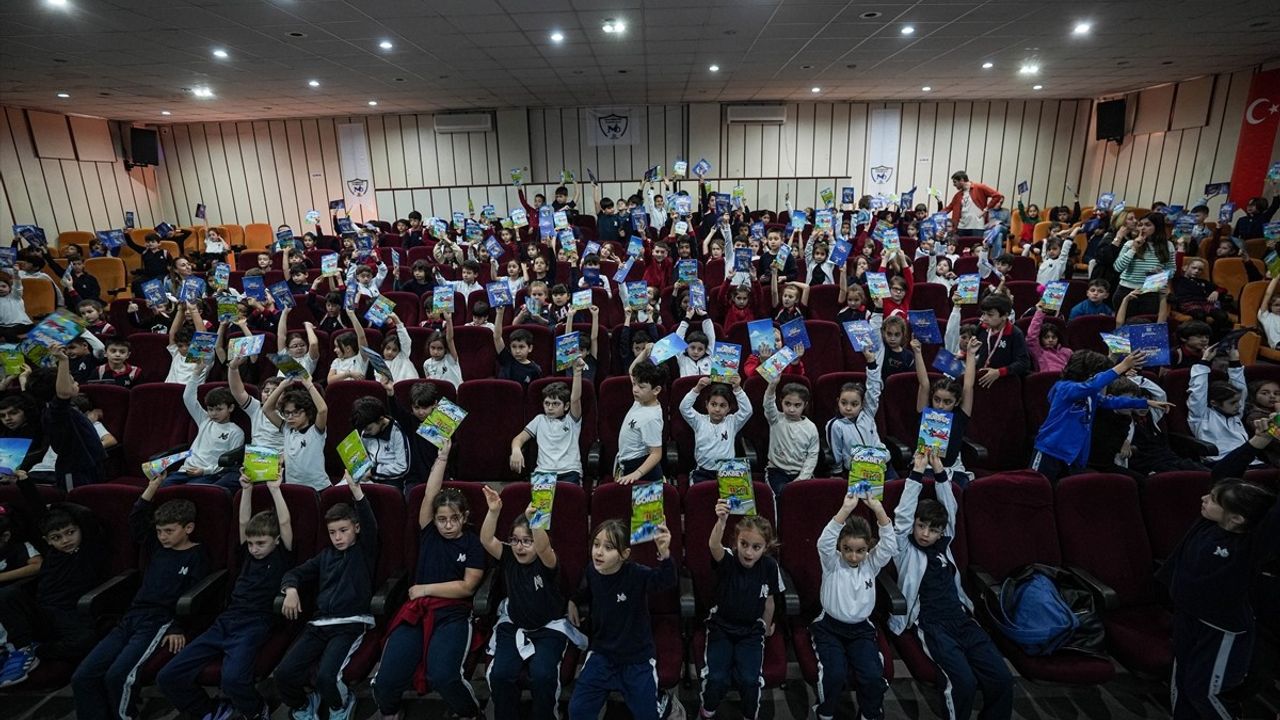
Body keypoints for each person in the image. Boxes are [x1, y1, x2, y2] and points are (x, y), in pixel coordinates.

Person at [156, 473, 294, 720]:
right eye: (251, 544)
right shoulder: (247, 555)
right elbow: (243, 523)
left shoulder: (281, 554)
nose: (254, 549)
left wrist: (275, 489)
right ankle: (208, 710)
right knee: (168, 675)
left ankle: (255, 710)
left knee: (232, 679)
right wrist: (247, 490)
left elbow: (284, 522)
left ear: (275, 541)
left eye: (260, 543)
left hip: (256, 623)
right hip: (226, 620)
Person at [889, 450, 1014, 720]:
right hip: (932, 624)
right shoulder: (905, 549)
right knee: (963, 683)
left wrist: (940, 470)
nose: (925, 534)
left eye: (933, 530)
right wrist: (917, 473)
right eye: (921, 526)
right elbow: (902, 517)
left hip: (962, 619)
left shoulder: (945, 547)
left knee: (1002, 679)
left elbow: (950, 509)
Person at [71, 479, 209, 720]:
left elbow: (197, 594)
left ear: (188, 528)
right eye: (159, 531)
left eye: (169, 531)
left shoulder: (198, 555)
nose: (163, 536)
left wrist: (177, 626)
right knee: (83, 676)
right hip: (131, 617)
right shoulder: (157, 546)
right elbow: (136, 519)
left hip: (158, 622)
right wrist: (152, 487)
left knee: (118, 675)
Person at [373, 439, 485, 720]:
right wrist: (442, 458)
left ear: (464, 518)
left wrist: (424, 588)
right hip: (416, 612)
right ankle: (391, 711)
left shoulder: (472, 543)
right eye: (442, 519)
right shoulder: (429, 533)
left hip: (452, 614)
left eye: (454, 519)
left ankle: (470, 713)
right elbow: (430, 493)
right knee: (385, 680)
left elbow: (467, 586)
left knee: (444, 675)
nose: (447, 525)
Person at [1158, 477, 1279, 719]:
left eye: (1213, 499)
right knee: (1180, 683)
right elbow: (1225, 472)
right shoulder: (1204, 526)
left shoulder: (1248, 549)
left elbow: (1275, 518)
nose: (1204, 499)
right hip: (1186, 618)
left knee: (1203, 692)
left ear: (1236, 518)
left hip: (1220, 631)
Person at [274, 471, 376, 720]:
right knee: (283, 674)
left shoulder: (365, 549)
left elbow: (370, 524)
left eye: (343, 530)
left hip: (350, 623)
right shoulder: (325, 556)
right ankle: (302, 705)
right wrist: (291, 589)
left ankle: (340, 704)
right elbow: (296, 573)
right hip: (318, 625)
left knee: (327, 677)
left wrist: (356, 491)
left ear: (356, 528)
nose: (338, 537)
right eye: (333, 533)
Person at [481, 484, 585, 720]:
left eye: (527, 541)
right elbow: (487, 540)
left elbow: (544, 546)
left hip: (548, 628)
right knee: (501, 674)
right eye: (515, 540)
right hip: (515, 625)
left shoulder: (546, 561)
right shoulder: (509, 556)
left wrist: (535, 520)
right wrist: (494, 511)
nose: (520, 546)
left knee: (543, 675)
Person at [567, 519, 682, 720]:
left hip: (637, 658)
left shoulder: (636, 574)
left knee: (647, 715)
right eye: (596, 544)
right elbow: (585, 590)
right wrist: (573, 601)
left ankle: (664, 702)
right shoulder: (592, 571)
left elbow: (666, 581)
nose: (599, 552)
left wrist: (664, 553)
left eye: (608, 547)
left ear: (624, 555)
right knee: (577, 711)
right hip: (602, 654)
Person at [0, 475, 106, 686]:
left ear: (79, 530)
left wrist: (60, 504)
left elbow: (85, 516)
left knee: (86, 642)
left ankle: (38, 649)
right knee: (7, 594)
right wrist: (24, 482)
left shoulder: (88, 549)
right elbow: (39, 513)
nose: (66, 540)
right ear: (48, 540)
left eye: (70, 533)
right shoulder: (51, 552)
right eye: (57, 537)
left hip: (71, 611)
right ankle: (22, 649)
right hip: (43, 610)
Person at [811, 490, 896, 720]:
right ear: (841, 546)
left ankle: (869, 714)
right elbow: (824, 542)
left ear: (868, 548)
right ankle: (825, 713)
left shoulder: (871, 564)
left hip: (861, 631)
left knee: (871, 675)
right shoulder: (832, 562)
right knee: (834, 674)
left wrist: (878, 510)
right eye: (848, 549)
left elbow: (889, 545)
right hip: (830, 628)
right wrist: (846, 509)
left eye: (860, 551)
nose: (854, 556)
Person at [700, 501, 783, 720]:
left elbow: (769, 601)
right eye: (744, 544)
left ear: (766, 547)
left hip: (751, 631)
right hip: (722, 627)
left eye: (756, 547)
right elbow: (713, 546)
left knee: (749, 679)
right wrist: (722, 521)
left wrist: (766, 626)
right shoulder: (728, 559)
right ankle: (707, 710)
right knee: (716, 677)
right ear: (736, 542)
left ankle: (749, 714)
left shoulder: (769, 566)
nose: (748, 552)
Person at [1030, 350, 1165, 482]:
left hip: (1073, 455)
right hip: (1050, 450)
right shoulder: (1064, 388)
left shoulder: (1090, 394)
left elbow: (1111, 401)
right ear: (1087, 373)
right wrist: (1122, 366)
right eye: (1096, 374)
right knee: (1038, 488)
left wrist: (1144, 402)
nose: (1099, 378)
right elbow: (1092, 386)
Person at [162, 365, 244, 488]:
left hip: (208, 474)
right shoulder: (205, 420)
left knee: (190, 491)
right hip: (185, 470)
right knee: (162, 488)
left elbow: (229, 462)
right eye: (210, 409)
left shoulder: (236, 432)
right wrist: (196, 373)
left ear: (231, 408)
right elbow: (188, 398)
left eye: (219, 409)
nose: (214, 413)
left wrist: (205, 471)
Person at [511, 359, 585, 484]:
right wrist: (516, 450)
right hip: (543, 473)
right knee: (539, 504)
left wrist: (577, 372)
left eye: (555, 404)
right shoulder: (539, 420)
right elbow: (519, 439)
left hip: (569, 472)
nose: (550, 408)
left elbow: (575, 399)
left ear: (566, 406)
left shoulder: (571, 420)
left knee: (568, 502)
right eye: (547, 403)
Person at [679, 375, 753, 484]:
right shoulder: (699, 420)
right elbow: (684, 408)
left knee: (735, 500)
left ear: (729, 409)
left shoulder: (732, 422)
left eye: (722, 406)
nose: (717, 409)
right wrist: (697, 389)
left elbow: (748, 411)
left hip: (728, 472)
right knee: (698, 498)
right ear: (706, 405)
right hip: (703, 472)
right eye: (713, 404)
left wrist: (737, 389)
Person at [826, 346, 886, 477]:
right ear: (838, 401)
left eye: (854, 404)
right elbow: (836, 452)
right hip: (855, 470)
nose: (848, 408)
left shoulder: (868, 413)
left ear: (862, 404)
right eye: (844, 403)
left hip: (880, 464)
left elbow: (874, 390)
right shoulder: (835, 425)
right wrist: (837, 473)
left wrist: (871, 363)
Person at [263, 376, 330, 491]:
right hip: (293, 487)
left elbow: (323, 410)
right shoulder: (287, 429)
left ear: (307, 412)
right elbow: (267, 409)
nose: (290, 417)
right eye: (287, 413)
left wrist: (309, 385)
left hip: (318, 488)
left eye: (296, 413)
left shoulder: (316, 431)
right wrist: (282, 386)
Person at [615, 345, 666, 485]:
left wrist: (637, 474)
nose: (635, 389)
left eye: (641, 386)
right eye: (634, 384)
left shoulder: (652, 417)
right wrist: (645, 352)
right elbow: (632, 370)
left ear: (656, 390)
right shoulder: (641, 399)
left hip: (642, 470)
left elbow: (656, 453)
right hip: (628, 463)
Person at [1189, 345, 1249, 464]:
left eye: (1238, 401)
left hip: (1247, 460)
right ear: (1214, 403)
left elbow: (1240, 388)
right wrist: (1205, 361)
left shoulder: (1236, 414)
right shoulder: (1201, 416)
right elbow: (1198, 391)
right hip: (1219, 462)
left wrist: (1234, 360)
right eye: (1233, 403)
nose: (1239, 405)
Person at [762, 374, 819, 496]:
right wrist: (772, 385)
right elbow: (768, 404)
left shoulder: (811, 427)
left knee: (808, 496)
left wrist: (801, 479)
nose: (791, 409)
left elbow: (812, 456)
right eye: (787, 404)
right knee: (782, 495)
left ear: (805, 405)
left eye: (797, 405)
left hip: (801, 472)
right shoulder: (776, 419)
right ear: (781, 401)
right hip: (777, 471)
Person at [972, 293, 1030, 386]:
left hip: (1004, 383)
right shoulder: (981, 328)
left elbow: (1023, 363)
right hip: (981, 381)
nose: (985, 318)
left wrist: (999, 372)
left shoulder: (1015, 334)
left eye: (990, 315)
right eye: (984, 313)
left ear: (1004, 316)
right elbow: (975, 351)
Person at [493, 307, 543, 388]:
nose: (517, 351)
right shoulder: (506, 359)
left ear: (530, 348)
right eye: (514, 347)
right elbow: (497, 337)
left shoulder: (535, 370)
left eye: (521, 347)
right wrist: (500, 313)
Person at [944, 171, 1004, 237]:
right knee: (961, 246)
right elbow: (949, 208)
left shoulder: (979, 187)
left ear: (961, 180)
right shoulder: (957, 196)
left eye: (955, 182)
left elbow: (997, 195)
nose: (954, 184)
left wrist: (986, 209)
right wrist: (936, 216)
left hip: (977, 226)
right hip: (961, 227)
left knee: (976, 246)